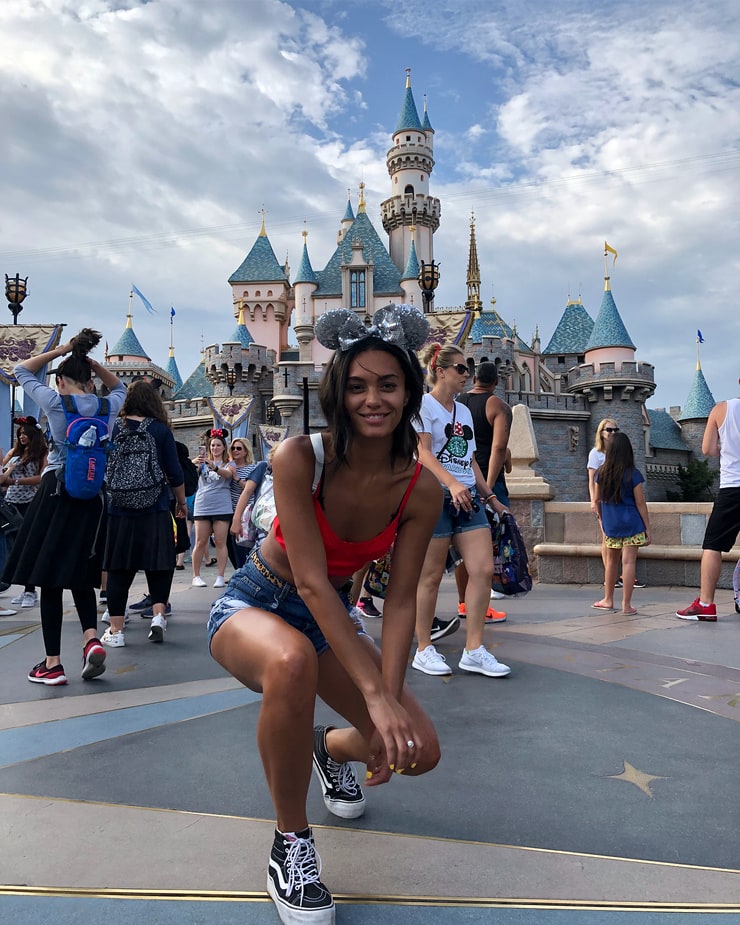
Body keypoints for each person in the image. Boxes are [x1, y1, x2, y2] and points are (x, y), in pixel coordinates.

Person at [208, 304, 441, 925]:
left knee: (418, 749)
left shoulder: (420, 488)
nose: (373, 400)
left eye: (388, 385)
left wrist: (389, 697)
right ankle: (291, 844)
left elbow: (399, 599)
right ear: (338, 393)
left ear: (408, 392)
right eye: (358, 386)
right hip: (256, 601)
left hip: (330, 617)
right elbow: (310, 581)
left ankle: (330, 749)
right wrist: (376, 695)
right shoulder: (299, 458)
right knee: (291, 663)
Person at [3, 329, 126, 686]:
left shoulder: (56, 403)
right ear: (90, 382)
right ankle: (91, 640)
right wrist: (94, 365)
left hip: (55, 493)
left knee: (49, 578)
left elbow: (22, 370)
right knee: (80, 572)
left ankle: (53, 664)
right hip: (92, 499)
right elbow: (120, 387)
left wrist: (63, 350)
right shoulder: (107, 406)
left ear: (60, 382)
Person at [412, 344, 511, 679]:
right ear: (440, 371)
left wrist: (490, 496)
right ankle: (423, 648)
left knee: (482, 569)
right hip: (435, 496)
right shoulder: (423, 405)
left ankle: (474, 649)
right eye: (461, 368)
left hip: (468, 497)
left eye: (467, 368)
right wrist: (451, 484)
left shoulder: (464, 411)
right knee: (430, 575)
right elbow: (423, 453)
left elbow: (470, 460)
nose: (467, 373)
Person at [100, 380, 186, 648]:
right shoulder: (160, 430)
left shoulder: (114, 428)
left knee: (119, 568)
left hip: (119, 508)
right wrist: (181, 502)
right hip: (155, 506)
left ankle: (116, 630)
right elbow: (174, 472)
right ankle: (158, 616)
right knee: (159, 562)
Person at [677, 380, 740, 621]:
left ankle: (706, 604)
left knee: (713, 546)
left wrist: (726, 447)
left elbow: (707, 449)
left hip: (733, 487)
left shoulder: (721, 409)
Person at [455, 361, 512, 620]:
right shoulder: (498, 406)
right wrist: (487, 489)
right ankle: (482, 606)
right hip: (488, 480)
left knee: (461, 548)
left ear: (474, 378)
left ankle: (463, 603)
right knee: (486, 547)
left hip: (461, 478)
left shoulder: (458, 403)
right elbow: (499, 448)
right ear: (496, 382)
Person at [591, 432, 651, 615]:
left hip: (612, 525)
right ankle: (626, 605)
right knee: (629, 562)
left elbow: (597, 500)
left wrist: (603, 521)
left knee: (611, 562)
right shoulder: (633, 474)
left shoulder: (601, 474)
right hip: (632, 524)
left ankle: (608, 599)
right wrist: (647, 528)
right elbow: (640, 503)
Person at [1, 416, 47, 608]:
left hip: (30, 503)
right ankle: (19, 586)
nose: (21, 437)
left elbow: (42, 477)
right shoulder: (14, 453)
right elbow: (2, 473)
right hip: (10, 504)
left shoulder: (42, 453)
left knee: (29, 546)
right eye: (20, 434)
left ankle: (30, 590)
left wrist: (15, 481)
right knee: (13, 547)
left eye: (25, 434)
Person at [191, 428, 236, 588]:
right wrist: (193, 464)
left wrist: (215, 467)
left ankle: (220, 576)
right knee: (200, 541)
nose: (215, 448)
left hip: (222, 506)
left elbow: (228, 475)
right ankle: (196, 576)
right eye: (212, 445)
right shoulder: (202, 463)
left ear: (224, 447)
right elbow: (188, 475)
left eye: (218, 445)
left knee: (220, 541)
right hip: (203, 505)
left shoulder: (229, 463)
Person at [226, 437, 257, 569]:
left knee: (242, 546)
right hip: (230, 510)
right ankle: (238, 570)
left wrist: (236, 478)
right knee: (229, 546)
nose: (235, 450)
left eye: (239, 448)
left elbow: (250, 489)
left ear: (246, 451)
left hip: (246, 513)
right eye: (233, 448)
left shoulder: (252, 468)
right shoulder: (228, 467)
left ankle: (243, 570)